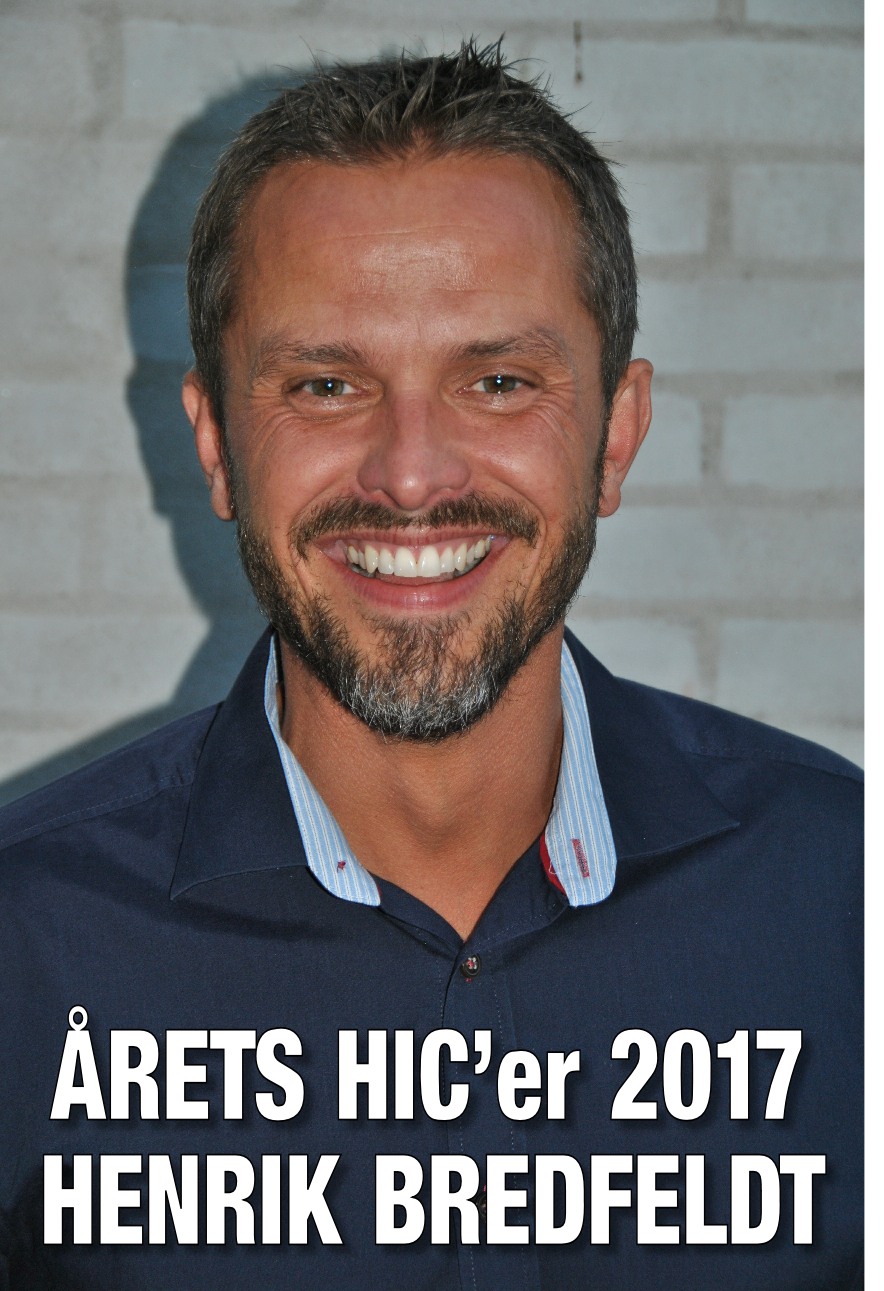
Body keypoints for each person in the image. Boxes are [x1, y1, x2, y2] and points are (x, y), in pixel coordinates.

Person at [0, 41, 861, 1290]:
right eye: (326, 383)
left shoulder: (842, 904)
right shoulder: (28, 943)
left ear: (614, 435)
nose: (410, 474)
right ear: (218, 443)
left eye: (497, 380)